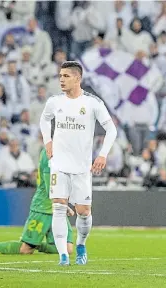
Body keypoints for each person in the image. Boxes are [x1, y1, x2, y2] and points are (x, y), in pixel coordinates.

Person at [40, 61, 117, 266]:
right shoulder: (54, 102)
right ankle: (63, 256)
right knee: (58, 207)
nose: (61, 80)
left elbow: (112, 130)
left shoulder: (92, 103)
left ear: (77, 78)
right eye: (60, 76)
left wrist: (102, 155)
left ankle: (81, 244)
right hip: (58, 164)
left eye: (66, 76)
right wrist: (48, 140)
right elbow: (44, 119)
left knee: (84, 212)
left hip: (82, 167)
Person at [0, 147, 74, 255]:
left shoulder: (63, 151)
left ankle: (37, 245)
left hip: (57, 207)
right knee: (25, 249)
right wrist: (65, 205)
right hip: (43, 208)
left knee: (67, 249)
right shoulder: (49, 152)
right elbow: (50, 187)